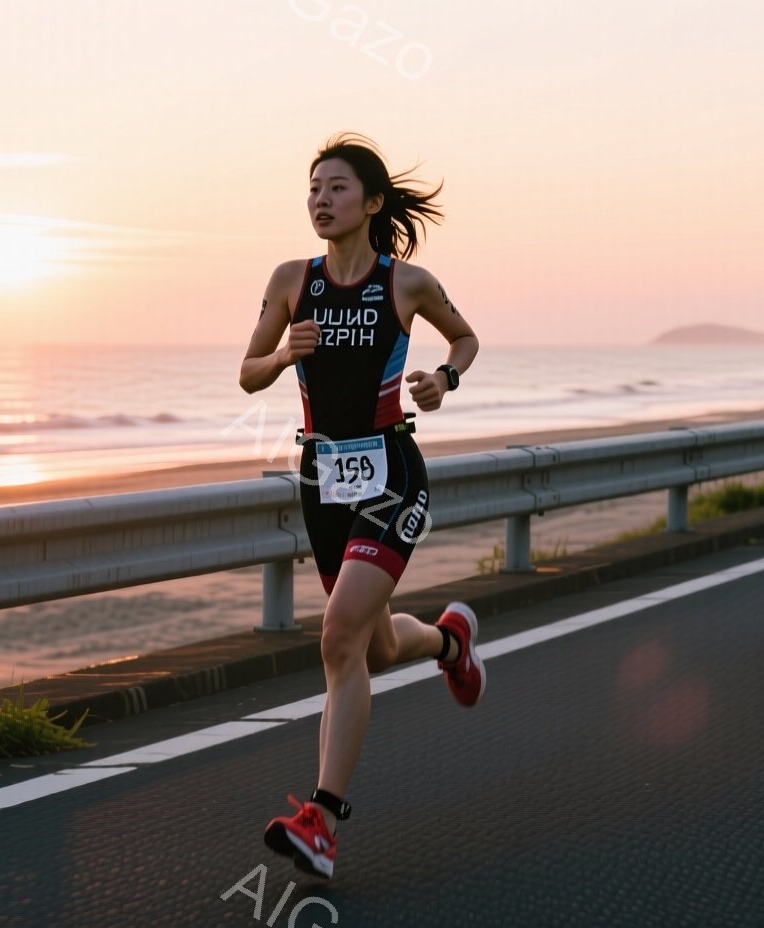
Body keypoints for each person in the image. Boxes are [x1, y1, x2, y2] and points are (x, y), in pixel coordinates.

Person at [238, 134, 482, 879]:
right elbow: (248, 374)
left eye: (337, 187)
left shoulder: (406, 283)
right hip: (321, 480)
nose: (321, 199)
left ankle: (320, 821)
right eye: (313, 188)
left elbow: (465, 339)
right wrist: (284, 355)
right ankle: (450, 644)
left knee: (338, 637)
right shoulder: (292, 280)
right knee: (369, 650)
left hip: (391, 474)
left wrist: (443, 379)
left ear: (373, 202)